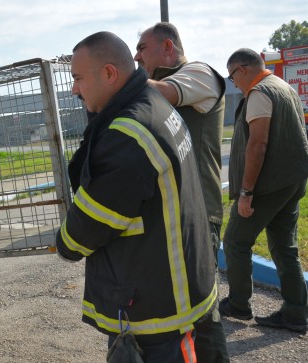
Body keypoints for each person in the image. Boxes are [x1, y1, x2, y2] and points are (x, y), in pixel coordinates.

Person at [56, 31, 217, 362]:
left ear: (110, 73)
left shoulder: (127, 136)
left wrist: (62, 242)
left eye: (78, 79)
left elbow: (82, 234)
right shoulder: (154, 104)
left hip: (155, 312)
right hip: (180, 286)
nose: (74, 89)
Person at [134, 22, 229, 362]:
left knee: (201, 311)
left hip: (198, 214)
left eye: (141, 48)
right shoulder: (158, 84)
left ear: (168, 48)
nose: (136, 56)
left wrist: (109, 74)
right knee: (176, 311)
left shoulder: (199, 74)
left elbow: (158, 92)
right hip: (172, 214)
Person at [219, 48, 308, 334]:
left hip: (267, 185)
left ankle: (238, 304)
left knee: (235, 241)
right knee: (285, 247)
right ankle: (296, 312)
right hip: (291, 180)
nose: (234, 83)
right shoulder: (284, 87)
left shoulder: (259, 93)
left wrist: (246, 192)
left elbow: (258, 144)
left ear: (242, 69)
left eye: (233, 77)